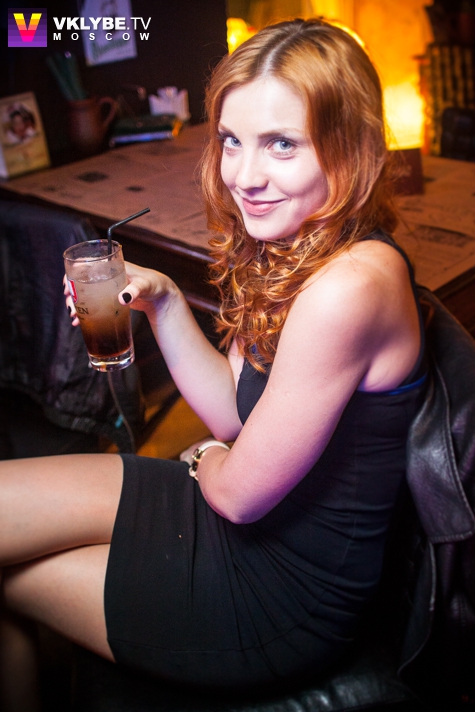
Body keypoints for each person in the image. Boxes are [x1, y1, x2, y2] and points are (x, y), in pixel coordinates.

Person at [0, 18, 427, 711]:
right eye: (232, 140)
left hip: (276, 596)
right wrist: (165, 301)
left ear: (348, 148)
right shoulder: (293, 242)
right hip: (235, 522)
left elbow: (236, 492)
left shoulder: (350, 287)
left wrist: (204, 457)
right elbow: (235, 413)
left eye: (281, 143)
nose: (244, 177)